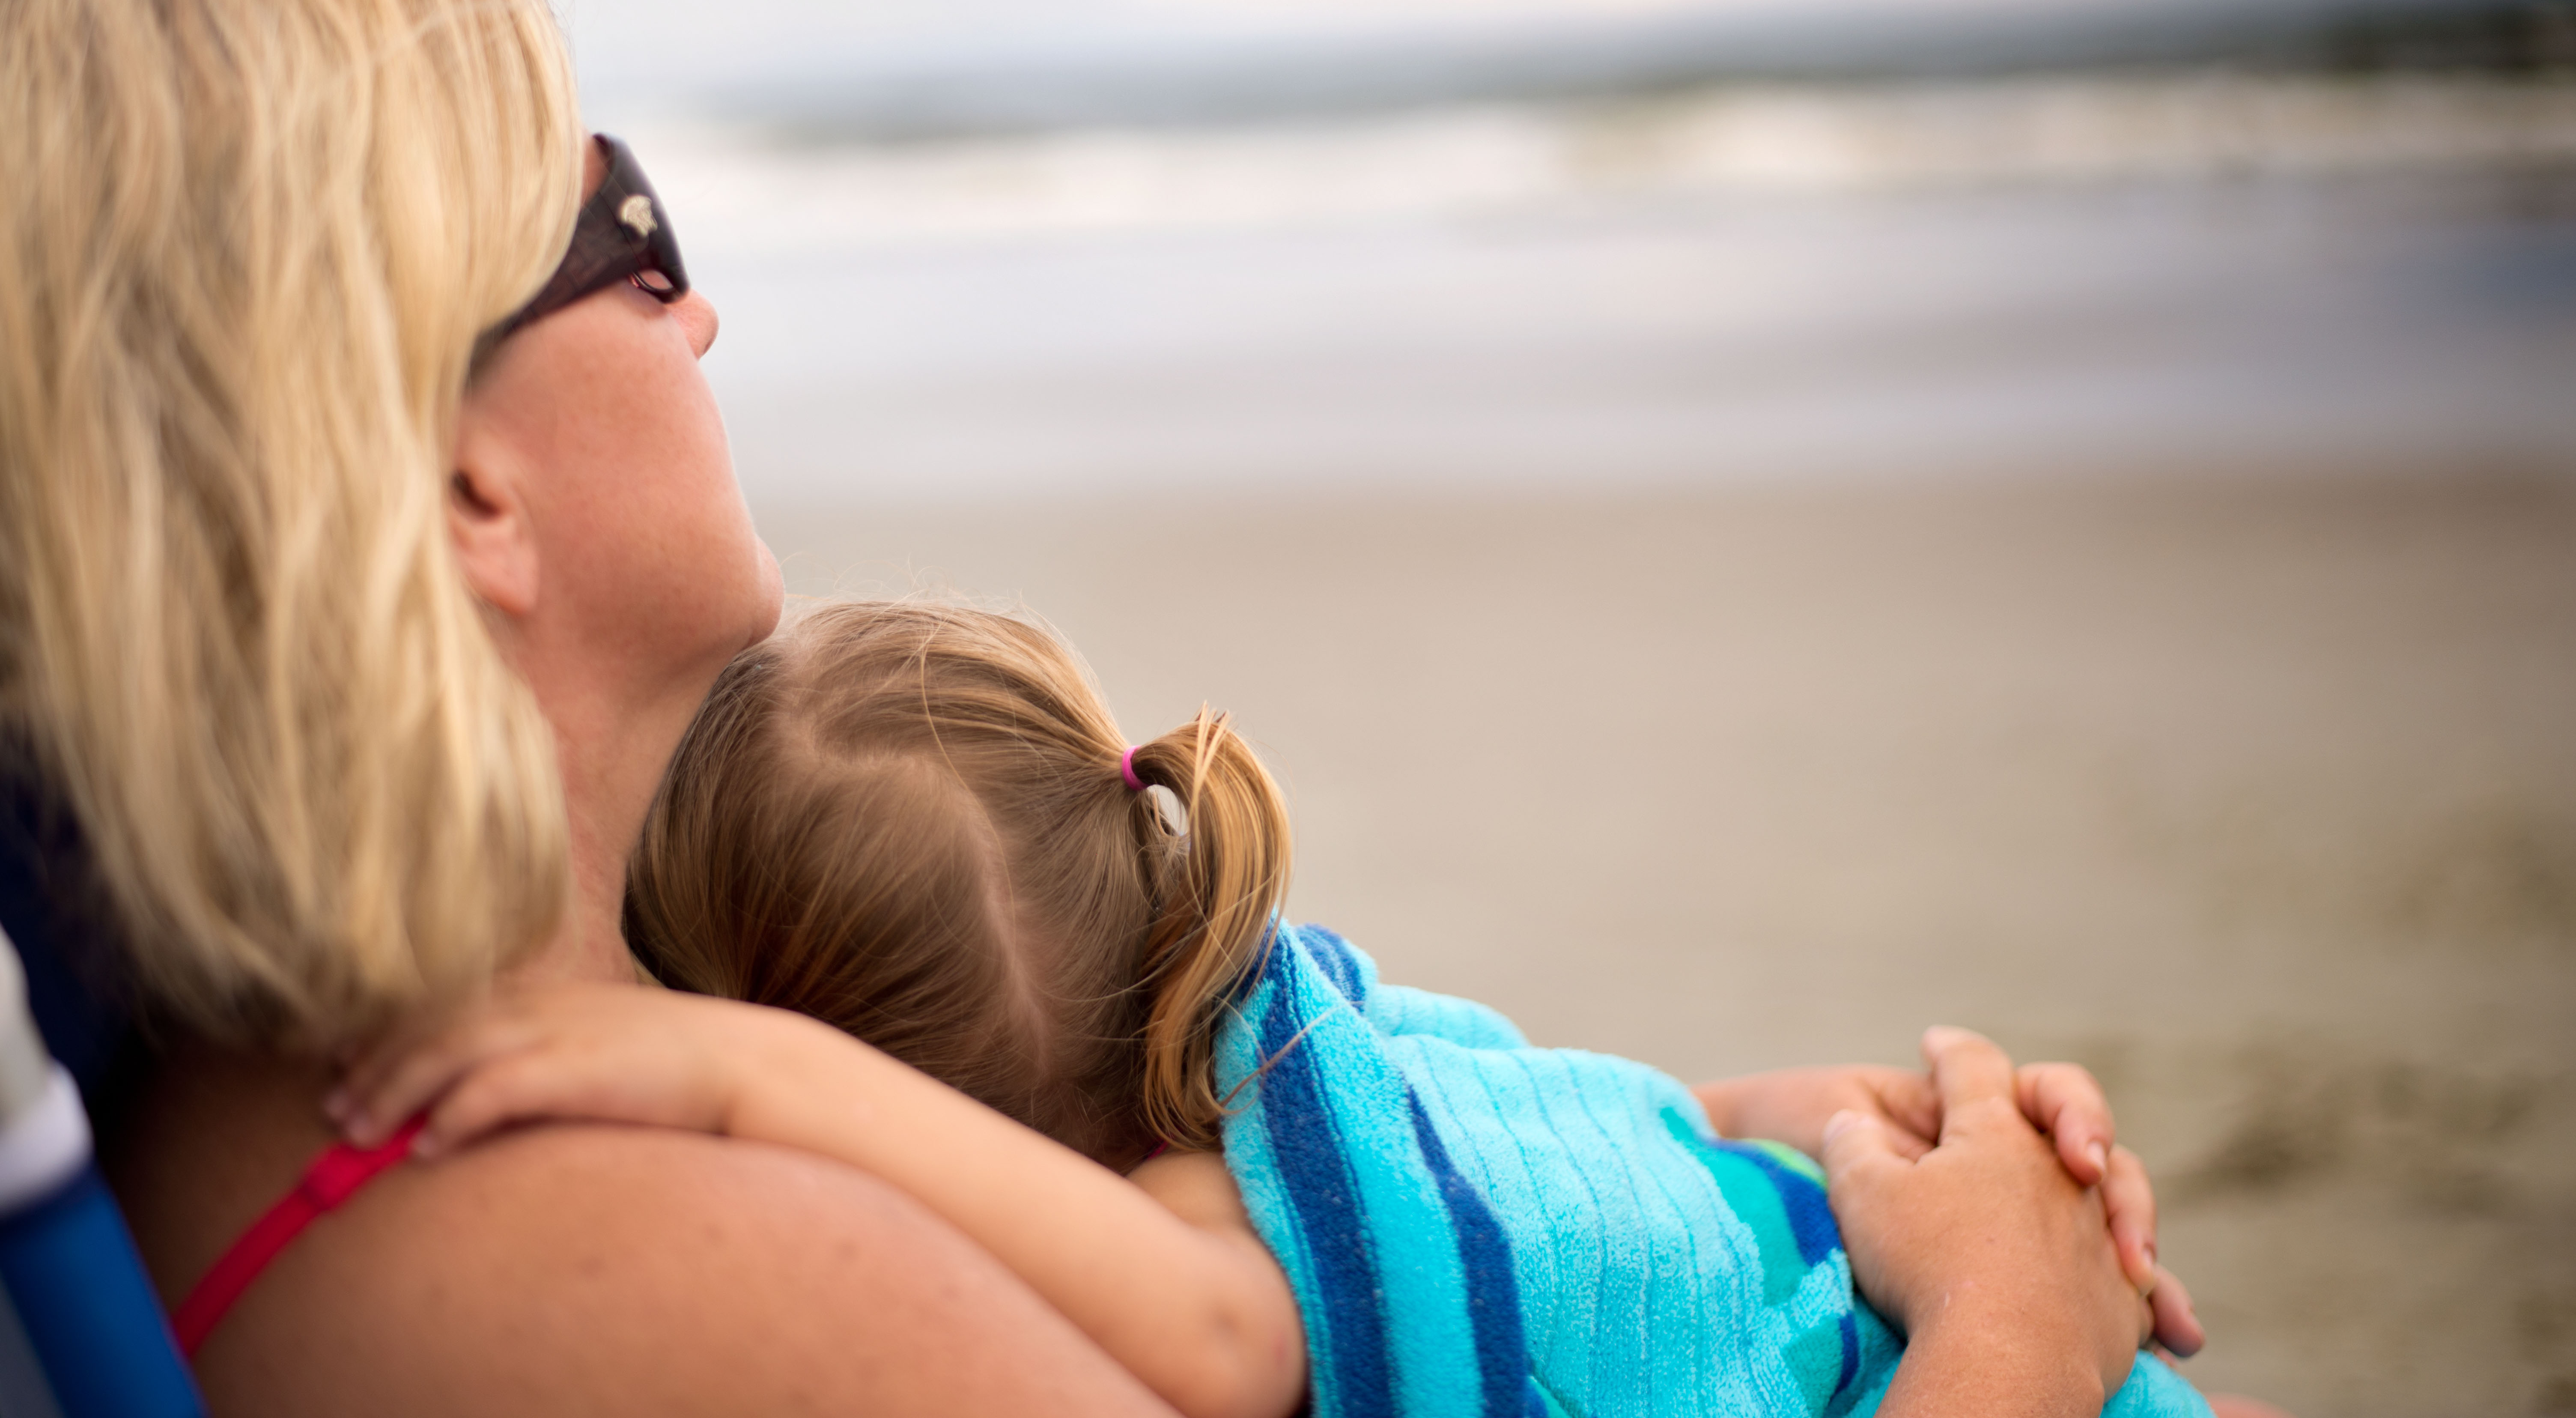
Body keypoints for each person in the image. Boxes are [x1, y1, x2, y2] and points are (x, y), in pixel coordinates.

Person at [0, 0, 2182, 1415]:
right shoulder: (664, 1275)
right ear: (460, 480)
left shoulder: (534, 1061)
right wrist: (2008, 1316)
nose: (704, 309)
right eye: (627, 229)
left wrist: (1845, 1144)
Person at [331, 598, 2212, 1418]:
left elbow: (1240, 1346)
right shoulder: (1311, 1051)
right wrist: (1927, 1181)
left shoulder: (1230, 1227)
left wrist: (731, 1073)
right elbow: (1666, 1114)